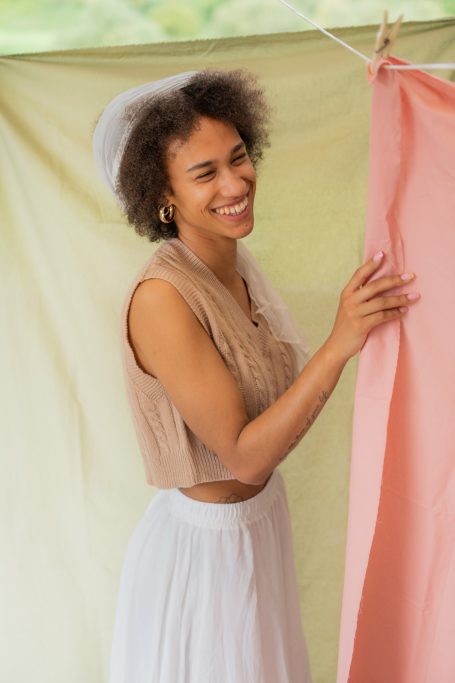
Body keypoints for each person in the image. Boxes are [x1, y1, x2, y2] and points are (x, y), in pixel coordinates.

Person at [92, 68, 419, 683]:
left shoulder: (237, 266)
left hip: (260, 526)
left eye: (238, 157)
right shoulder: (163, 298)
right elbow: (245, 457)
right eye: (205, 173)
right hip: (205, 556)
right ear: (163, 196)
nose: (235, 183)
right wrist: (340, 343)